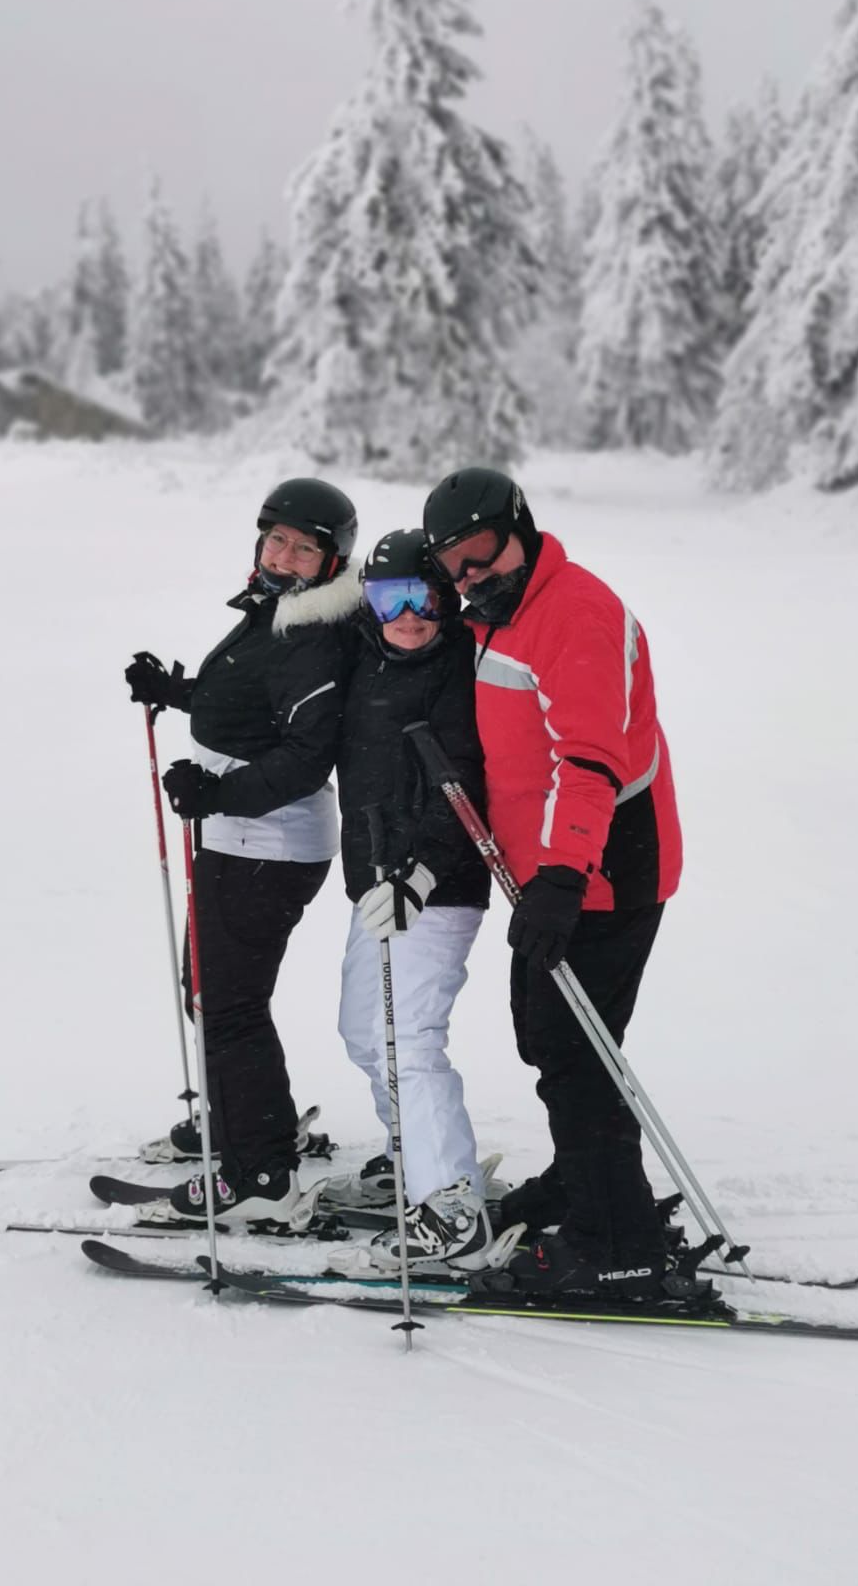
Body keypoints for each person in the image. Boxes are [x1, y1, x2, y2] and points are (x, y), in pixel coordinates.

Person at [421, 467, 683, 1299]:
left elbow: (589, 760)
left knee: (576, 1054)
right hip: (551, 870)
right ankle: (584, 1183)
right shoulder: (499, 615)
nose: (471, 575)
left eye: (482, 552)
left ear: (521, 530)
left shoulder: (573, 612)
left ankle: (617, 1247)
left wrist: (565, 874)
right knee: (550, 1038)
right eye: (453, 564)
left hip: (605, 868)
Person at [123, 478, 361, 1226]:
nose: (283, 556)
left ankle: (259, 1175)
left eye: (304, 549)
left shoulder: (313, 636)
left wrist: (217, 794)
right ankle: (248, 1124)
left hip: (268, 843)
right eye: (276, 540)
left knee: (226, 1002)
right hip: (242, 835)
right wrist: (180, 692)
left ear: (331, 562)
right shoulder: (277, 612)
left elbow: (305, 756)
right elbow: (252, 703)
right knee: (211, 992)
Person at [322, 529, 493, 1272]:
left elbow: (467, 786)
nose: (410, 616)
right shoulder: (359, 657)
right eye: (391, 598)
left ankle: (452, 1205)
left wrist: (420, 874)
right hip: (375, 882)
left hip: (438, 886)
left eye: (424, 597)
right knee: (364, 1032)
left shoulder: (461, 669)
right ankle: (411, 1157)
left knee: (409, 1040)